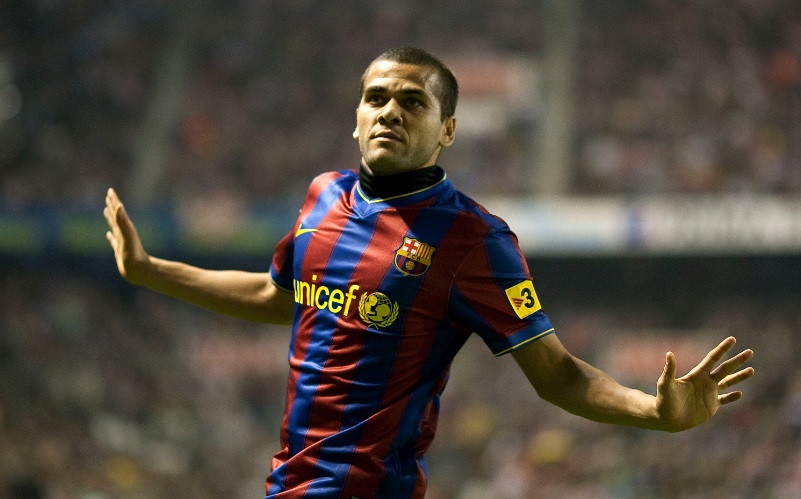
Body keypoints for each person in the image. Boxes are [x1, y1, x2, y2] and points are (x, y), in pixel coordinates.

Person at [104, 46, 755, 498]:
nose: (389, 111)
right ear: (356, 118)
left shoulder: (473, 239)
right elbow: (278, 297)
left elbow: (556, 372)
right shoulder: (323, 196)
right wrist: (149, 269)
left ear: (447, 130)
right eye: (376, 98)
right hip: (287, 484)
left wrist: (652, 410)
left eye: (412, 102)